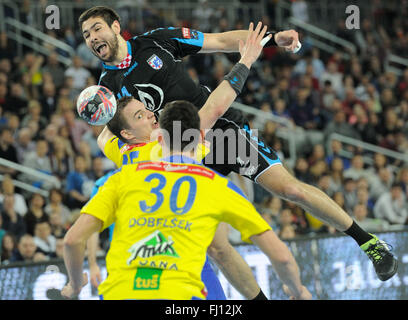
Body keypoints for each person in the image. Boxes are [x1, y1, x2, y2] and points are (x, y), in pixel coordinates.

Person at [78, 6, 398, 282]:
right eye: (86, 35)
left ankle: (370, 243)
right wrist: (105, 137)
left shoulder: (156, 41)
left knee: (289, 189)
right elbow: (117, 135)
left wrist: (272, 38)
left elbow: (219, 41)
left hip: (221, 130)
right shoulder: (107, 91)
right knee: (217, 247)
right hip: (186, 153)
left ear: (115, 27)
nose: (92, 38)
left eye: (97, 29)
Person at [84, 22, 273, 300]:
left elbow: (104, 140)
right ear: (129, 132)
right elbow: (214, 108)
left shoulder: (121, 164)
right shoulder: (173, 149)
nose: (151, 113)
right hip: (173, 267)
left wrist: (77, 279)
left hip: (136, 275)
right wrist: (245, 61)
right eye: (141, 115)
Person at [61, 100, 312, 300]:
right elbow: (281, 257)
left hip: (120, 292)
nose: (149, 117)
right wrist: (297, 290)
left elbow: (72, 240)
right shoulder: (217, 186)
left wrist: (74, 285)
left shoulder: (120, 176)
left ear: (159, 138)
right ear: (200, 138)